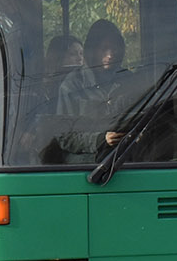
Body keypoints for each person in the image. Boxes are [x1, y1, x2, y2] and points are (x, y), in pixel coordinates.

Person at [54, 19, 132, 162]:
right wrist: (100, 140)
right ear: (92, 50)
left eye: (114, 49)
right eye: (104, 49)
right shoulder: (72, 84)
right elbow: (64, 137)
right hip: (86, 168)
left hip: (129, 161)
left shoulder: (129, 79)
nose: (110, 55)